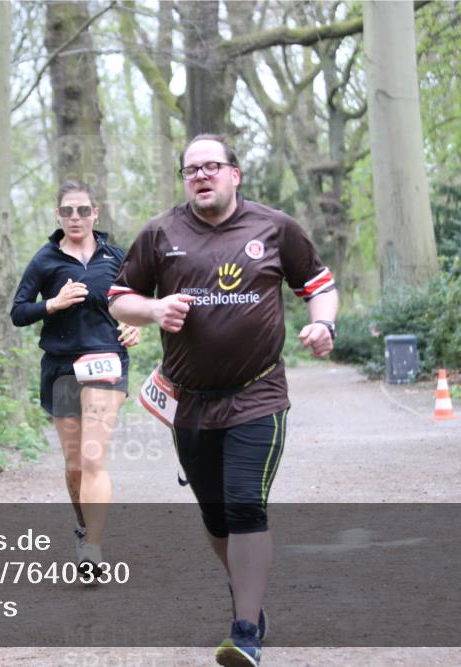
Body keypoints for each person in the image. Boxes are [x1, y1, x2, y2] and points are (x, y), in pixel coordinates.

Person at [108, 135, 337, 666]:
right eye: (191, 169)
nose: (201, 176)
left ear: (236, 174)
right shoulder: (160, 233)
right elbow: (120, 299)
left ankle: (245, 631)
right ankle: (248, 595)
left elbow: (320, 284)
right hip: (190, 403)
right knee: (215, 518)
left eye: (212, 166)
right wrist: (154, 309)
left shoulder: (274, 228)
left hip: (258, 393)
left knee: (243, 505)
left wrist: (323, 322)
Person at [10, 180, 140, 575]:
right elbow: (18, 312)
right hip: (62, 368)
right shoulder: (46, 260)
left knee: (92, 455)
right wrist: (53, 303)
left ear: (95, 213)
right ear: (58, 216)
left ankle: (93, 551)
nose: (75, 217)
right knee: (74, 465)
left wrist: (136, 326)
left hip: (106, 362)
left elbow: (136, 302)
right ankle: (85, 528)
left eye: (82, 210)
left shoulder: (116, 256)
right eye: (67, 211)